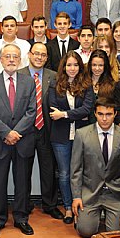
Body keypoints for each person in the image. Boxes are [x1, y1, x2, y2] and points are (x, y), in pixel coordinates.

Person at [0, 44, 36, 236]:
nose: (11, 59)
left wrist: (16, 133)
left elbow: (31, 112)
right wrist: (6, 133)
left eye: (15, 56)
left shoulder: (29, 82)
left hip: (23, 140)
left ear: (20, 59)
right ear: (1, 59)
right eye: (7, 56)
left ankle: (21, 218)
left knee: (22, 182)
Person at [71, 98, 120, 237]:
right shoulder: (82, 134)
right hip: (90, 191)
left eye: (108, 114)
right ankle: (89, 217)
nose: (104, 119)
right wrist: (76, 197)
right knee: (85, 231)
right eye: (100, 114)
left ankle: (107, 215)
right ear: (95, 114)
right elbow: (76, 169)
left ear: (115, 114)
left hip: (115, 192)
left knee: (117, 233)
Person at [17, 42, 63, 220]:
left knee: (48, 169)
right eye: (36, 54)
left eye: (43, 55)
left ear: (46, 57)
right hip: (25, 130)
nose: (39, 57)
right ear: (29, 54)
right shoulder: (19, 74)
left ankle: (50, 204)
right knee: (24, 170)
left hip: (47, 129)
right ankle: (25, 203)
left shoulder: (54, 76)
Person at [49, 51, 95, 224]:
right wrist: (73, 114)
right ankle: (68, 208)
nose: (72, 68)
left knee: (82, 172)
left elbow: (87, 109)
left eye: (75, 65)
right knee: (64, 173)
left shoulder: (86, 84)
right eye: (69, 65)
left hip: (82, 135)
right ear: (63, 66)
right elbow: (53, 111)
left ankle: (82, 208)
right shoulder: (55, 84)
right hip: (60, 137)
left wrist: (65, 114)